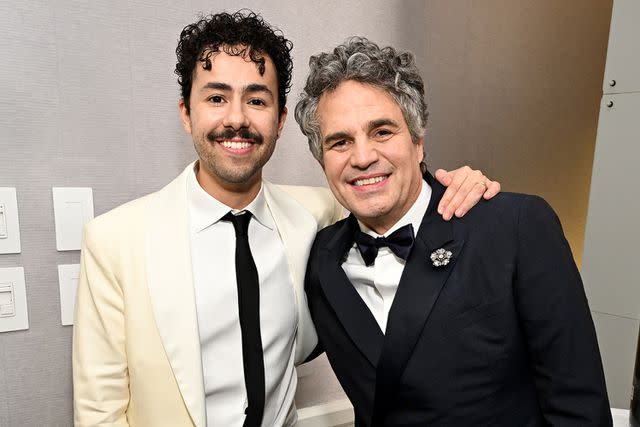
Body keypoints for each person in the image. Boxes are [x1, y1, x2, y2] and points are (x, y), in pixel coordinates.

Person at [72, 11, 499, 427]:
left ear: (279, 122)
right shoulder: (115, 241)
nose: (236, 119)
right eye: (216, 98)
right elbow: (99, 413)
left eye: (256, 100)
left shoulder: (317, 216)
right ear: (187, 112)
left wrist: (459, 183)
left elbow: (385, 184)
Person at [297, 37, 612, 427]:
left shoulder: (515, 227)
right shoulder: (320, 261)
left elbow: (579, 409)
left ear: (418, 142)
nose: (362, 158)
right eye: (340, 142)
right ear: (321, 159)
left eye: (382, 132)